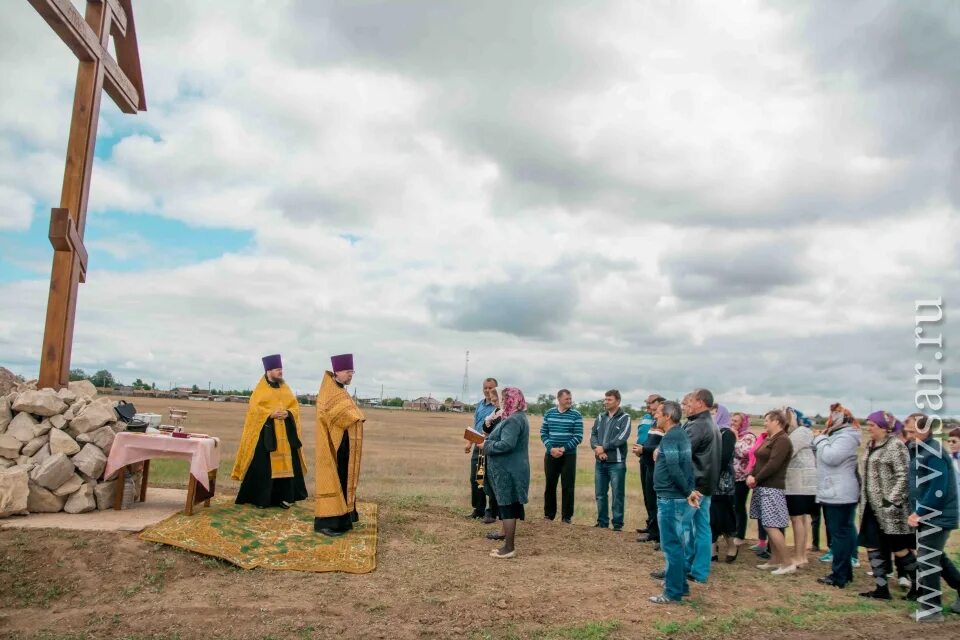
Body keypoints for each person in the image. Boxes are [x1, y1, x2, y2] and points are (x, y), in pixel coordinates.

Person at [232, 354, 308, 509]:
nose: (280, 372)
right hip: (266, 434)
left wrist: (288, 413)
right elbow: (255, 410)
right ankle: (261, 499)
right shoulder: (260, 389)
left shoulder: (285, 388)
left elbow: (294, 406)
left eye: (281, 369)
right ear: (268, 370)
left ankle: (285, 498)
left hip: (285, 435)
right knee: (263, 466)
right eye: (277, 369)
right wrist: (269, 414)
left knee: (289, 464)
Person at [906, 414, 960, 621]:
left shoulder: (934, 453)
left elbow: (939, 488)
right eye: (907, 431)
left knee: (927, 560)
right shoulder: (919, 449)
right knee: (937, 557)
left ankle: (931, 609)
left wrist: (920, 512)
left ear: (925, 430)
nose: (908, 435)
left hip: (937, 515)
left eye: (912, 431)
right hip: (929, 515)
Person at [858, 411, 916, 600]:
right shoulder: (870, 445)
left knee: (899, 549)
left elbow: (904, 476)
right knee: (872, 547)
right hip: (870, 506)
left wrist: (890, 500)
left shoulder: (895, 446)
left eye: (872, 425)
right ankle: (881, 589)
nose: (869, 428)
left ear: (884, 427)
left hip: (891, 509)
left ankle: (919, 585)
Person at [648, 401, 698, 604]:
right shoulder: (680, 434)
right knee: (677, 543)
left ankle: (673, 592)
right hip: (677, 497)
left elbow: (674, 467)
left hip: (670, 498)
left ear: (668, 416)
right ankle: (681, 586)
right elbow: (687, 466)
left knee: (671, 546)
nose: (655, 417)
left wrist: (687, 491)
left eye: (658, 413)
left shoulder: (670, 436)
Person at [314, 354, 365, 536]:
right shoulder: (330, 391)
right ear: (337, 372)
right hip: (333, 445)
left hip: (343, 444)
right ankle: (326, 523)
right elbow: (336, 413)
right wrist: (356, 416)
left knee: (343, 479)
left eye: (352, 371)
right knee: (333, 480)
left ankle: (343, 519)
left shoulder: (340, 389)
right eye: (348, 371)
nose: (351, 375)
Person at [479, 387, 531, 559]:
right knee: (509, 506)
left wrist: (486, 446)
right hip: (512, 468)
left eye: (503, 398)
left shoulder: (514, 420)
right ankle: (507, 543)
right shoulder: (516, 417)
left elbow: (507, 444)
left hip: (508, 470)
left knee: (507, 507)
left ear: (509, 400)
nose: (500, 402)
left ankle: (509, 548)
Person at [812, 409, 861, 588]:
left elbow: (831, 457)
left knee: (839, 534)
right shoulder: (840, 435)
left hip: (839, 493)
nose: (828, 421)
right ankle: (844, 572)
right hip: (835, 490)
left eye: (831, 418)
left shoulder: (846, 436)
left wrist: (821, 439)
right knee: (842, 533)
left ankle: (839, 575)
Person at [681, 389, 721, 583]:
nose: (686, 406)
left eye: (690, 402)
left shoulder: (698, 425)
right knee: (702, 528)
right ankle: (699, 571)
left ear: (701, 403)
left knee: (681, 527)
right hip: (706, 484)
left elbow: (681, 452)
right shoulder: (711, 424)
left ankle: (681, 566)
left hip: (694, 485)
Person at [748, 409, 794, 574]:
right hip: (762, 486)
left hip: (772, 488)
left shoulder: (782, 440)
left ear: (776, 421)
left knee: (772, 525)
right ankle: (775, 559)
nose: (765, 423)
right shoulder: (770, 439)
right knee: (768, 525)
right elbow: (759, 459)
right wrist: (751, 475)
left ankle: (788, 562)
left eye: (767, 420)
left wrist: (756, 477)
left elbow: (773, 464)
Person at [590, 389, 632, 531]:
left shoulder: (625, 417)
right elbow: (593, 435)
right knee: (600, 494)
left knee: (617, 494)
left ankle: (617, 525)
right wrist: (597, 449)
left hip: (617, 463)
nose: (605, 402)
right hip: (600, 461)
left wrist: (604, 448)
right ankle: (602, 523)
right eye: (605, 399)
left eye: (609, 400)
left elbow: (621, 438)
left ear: (618, 401)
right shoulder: (601, 417)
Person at [540, 389, 583, 524]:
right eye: (567, 399)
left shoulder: (576, 415)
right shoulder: (549, 413)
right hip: (551, 454)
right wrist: (551, 448)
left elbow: (578, 436)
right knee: (550, 485)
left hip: (568, 455)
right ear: (558, 399)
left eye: (570, 399)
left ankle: (566, 517)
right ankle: (549, 515)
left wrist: (563, 449)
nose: (569, 401)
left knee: (568, 486)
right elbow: (543, 433)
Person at [784, 407, 818, 570]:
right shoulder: (804, 432)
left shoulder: (799, 433)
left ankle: (799, 555)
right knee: (802, 518)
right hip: (804, 482)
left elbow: (787, 452)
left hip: (799, 483)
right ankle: (801, 554)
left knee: (797, 518)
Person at [467, 378, 499, 522]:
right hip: (478, 444)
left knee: (490, 479)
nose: (487, 390)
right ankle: (478, 509)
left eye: (490, 388)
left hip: (491, 445)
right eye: (485, 387)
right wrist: (469, 443)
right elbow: (476, 425)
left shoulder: (497, 406)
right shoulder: (480, 404)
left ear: (496, 388)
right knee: (476, 477)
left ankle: (492, 512)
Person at [634, 394, 665, 542]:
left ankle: (657, 533)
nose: (648, 405)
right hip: (646, 462)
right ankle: (652, 528)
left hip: (656, 465)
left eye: (651, 403)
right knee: (649, 498)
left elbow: (662, 445)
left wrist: (644, 449)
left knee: (655, 499)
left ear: (660, 404)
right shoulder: (651, 419)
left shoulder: (664, 422)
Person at [711, 405, 738, 562]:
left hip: (723, 482)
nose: (711, 415)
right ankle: (712, 549)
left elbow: (724, 457)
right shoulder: (711, 432)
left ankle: (732, 545)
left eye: (714, 413)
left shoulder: (727, 434)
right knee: (710, 515)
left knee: (724, 515)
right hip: (710, 479)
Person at [731, 412, 755, 548]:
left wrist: (735, 439)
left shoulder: (748, 437)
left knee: (738, 506)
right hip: (731, 477)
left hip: (742, 477)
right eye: (732, 420)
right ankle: (731, 531)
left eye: (736, 421)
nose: (732, 423)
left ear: (742, 423)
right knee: (731, 506)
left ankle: (740, 535)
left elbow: (744, 453)